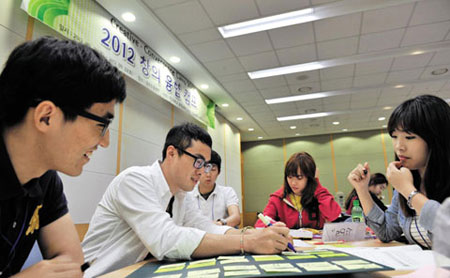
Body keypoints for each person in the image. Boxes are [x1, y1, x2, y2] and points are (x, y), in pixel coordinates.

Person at [82, 123, 290, 277]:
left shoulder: (182, 194)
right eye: (198, 162)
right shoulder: (135, 180)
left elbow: (204, 227)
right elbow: (166, 239)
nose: (202, 172)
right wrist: (247, 241)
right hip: (99, 273)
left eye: (207, 165)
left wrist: (255, 234)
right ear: (171, 153)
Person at [0, 36, 126, 277]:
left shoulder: (44, 178)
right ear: (46, 116)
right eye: (102, 125)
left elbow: (73, 264)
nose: (105, 142)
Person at [347, 95, 450, 249]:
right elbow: (386, 232)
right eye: (395, 137)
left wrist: (409, 192)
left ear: (436, 138)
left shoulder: (406, 185)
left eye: (409, 137)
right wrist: (362, 189)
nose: (399, 146)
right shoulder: (407, 180)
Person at [255, 152, 341, 229]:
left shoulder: (319, 195)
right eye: (290, 177)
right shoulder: (278, 198)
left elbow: (333, 215)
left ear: (309, 177)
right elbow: (260, 224)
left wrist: (316, 184)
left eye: (299, 178)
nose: (293, 183)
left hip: (317, 245)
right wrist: (275, 227)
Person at [186, 150, 241, 227]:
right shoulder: (188, 194)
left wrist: (219, 224)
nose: (208, 174)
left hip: (221, 236)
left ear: (219, 172)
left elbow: (236, 218)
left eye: (213, 169)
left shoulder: (227, 192)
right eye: (205, 169)